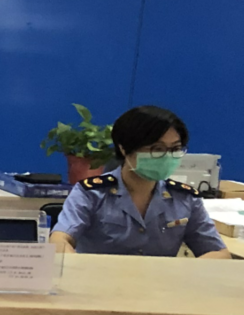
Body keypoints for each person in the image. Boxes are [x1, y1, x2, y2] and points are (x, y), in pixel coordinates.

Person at [50, 105, 231, 259]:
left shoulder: (185, 197)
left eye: (175, 149)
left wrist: (182, 273)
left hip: (162, 285)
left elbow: (219, 253)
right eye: (157, 149)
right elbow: (59, 240)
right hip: (100, 284)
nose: (167, 156)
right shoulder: (91, 193)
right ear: (124, 148)